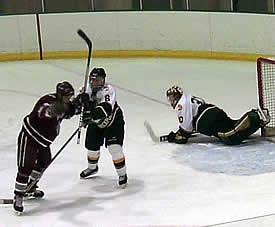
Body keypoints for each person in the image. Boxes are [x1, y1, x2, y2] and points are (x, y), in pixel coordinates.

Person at [13, 81, 81, 215]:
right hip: (30, 137)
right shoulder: (47, 101)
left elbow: (68, 112)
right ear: (60, 95)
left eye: (71, 96)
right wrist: (67, 107)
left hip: (44, 142)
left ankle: (29, 187)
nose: (69, 99)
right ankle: (19, 197)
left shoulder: (64, 104)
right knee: (25, 167)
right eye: (67, 96)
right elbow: (46, 113)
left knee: (44, 162)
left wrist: (80, 104)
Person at [165, 85, 270, 145]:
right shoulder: (187, 97)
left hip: (207, 120)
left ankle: (253, 115)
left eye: (171, 98)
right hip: (212, 111)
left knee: (230, 136)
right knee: (232, 125)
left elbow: (186, 129)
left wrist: (176, 138)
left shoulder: (181, 105)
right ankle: (257, 122)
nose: (171, 101)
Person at [79, 67, 127, 188]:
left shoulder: (108, 90)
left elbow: (106, 107)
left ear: (103, 80)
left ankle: (122, 174)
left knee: (114, 148)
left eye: (98, 80)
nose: (95, 83)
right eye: (93, 80)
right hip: (96, 122)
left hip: (113, 122)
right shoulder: (85, 89)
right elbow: (77, 106)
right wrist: (80, 102)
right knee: (91, 147)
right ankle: (92, 168)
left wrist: (90, 114)